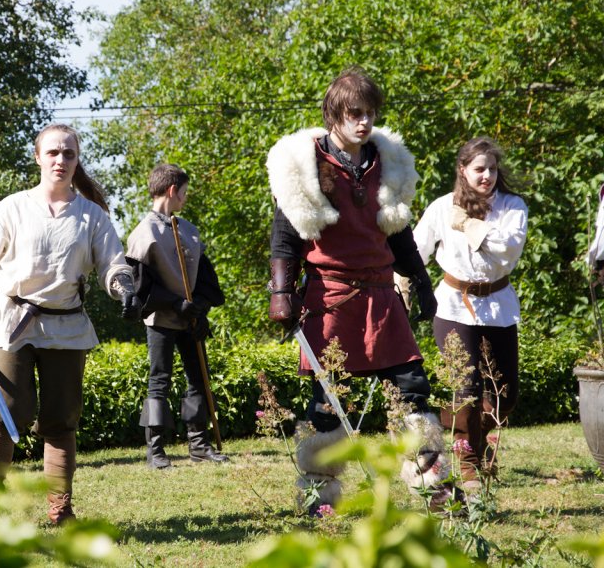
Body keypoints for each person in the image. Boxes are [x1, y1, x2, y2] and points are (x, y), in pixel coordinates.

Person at [266, 67, 446, 514]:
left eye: (369, 113)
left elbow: (399, 234)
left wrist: (421, 282)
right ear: (334, 116)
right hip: (331, 301)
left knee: (412, 389)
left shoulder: (387, 164)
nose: (364, 122)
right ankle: (318, 496)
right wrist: (281, 293)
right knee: (329, 402)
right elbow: (285, 238)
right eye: (354, 114)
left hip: (382, 298)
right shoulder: (304, 166)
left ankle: (432, 486)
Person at [0, 123, 138, 524]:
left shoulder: (91, 216)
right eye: (53, 153)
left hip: (66, 327)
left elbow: (113, 265)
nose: (61, 160)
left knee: (61, 419)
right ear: (38, 157)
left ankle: (60, 509)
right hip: (11, 323)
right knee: (5, 414)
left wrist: (125, 289)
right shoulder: (12, 208)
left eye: (68, 154)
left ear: (77, 160)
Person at [413, 137, 528, 486]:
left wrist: (469, 225)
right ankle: (469, 465)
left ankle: (470, 437)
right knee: (465, 388)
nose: (487, 176)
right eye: (479, 169)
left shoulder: (512, 206)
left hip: (498, 306)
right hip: (453, 306)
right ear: (463, 170)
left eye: (492, 169)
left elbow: (508, 249)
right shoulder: (442, 207)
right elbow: (415, 252)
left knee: (506, 395)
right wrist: (400, 286)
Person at [125, 163, 227, 469]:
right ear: (172, 191)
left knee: (198, 378)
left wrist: (200, 308)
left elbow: (206, 280)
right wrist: (175, 304)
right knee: (159, 381)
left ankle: (199, 445)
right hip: (161, 320)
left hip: (190, 319)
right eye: (184, 192)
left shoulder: (189, 231)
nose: (185, 197)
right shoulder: (144, 234)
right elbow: (141, 287)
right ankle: (155, 451)